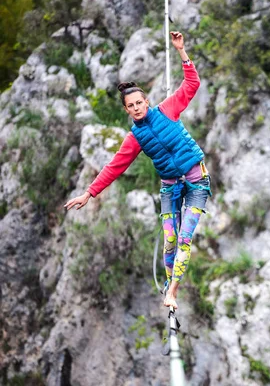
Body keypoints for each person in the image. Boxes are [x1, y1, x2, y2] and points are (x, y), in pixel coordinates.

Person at [64, 31, 210, 310]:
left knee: (185, 238)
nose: (136, 108)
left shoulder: (168, 109)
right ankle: (169, 283)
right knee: (170, 241)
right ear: (127, 111)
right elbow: (114, 167)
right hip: (170, 187)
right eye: (131, 106)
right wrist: (89, 193)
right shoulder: (134, 139)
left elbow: (192, 84)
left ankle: (173, 293)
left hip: (196, 181)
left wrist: (181, 51)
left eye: (139, 103)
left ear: (146, 102)